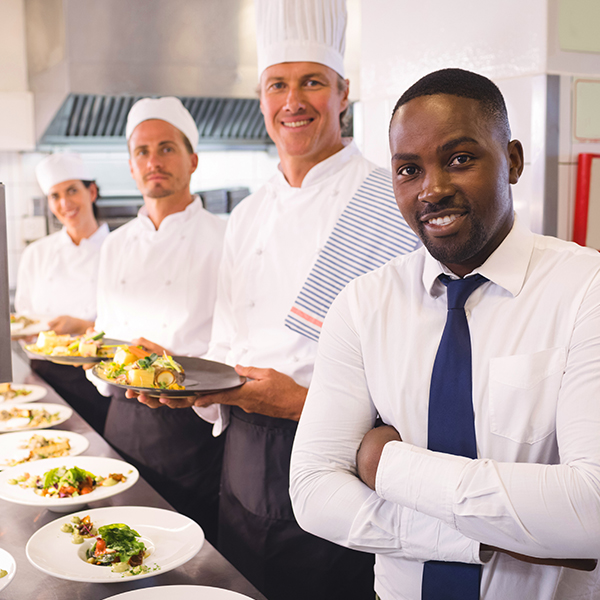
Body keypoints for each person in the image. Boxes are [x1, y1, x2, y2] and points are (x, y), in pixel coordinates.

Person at [135, 2, 419, 598]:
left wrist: (297, 402)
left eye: (312, 82)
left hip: (339, 459)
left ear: (343, 92)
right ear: (262, 99)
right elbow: (225, 342)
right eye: (277, 85)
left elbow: (413, 377)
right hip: (240, 457)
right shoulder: (247, 213)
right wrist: (179, 382)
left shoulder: (389, 203)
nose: (293, 101)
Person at [290, 68, 600, 600]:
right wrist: (482, 537)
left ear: (514, 161)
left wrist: (385, 464)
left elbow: (591, 510)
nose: (432, 189)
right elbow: (313, 491)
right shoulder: (363, 305)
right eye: (408, 169)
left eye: (460, 159)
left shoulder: (585, 291)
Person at [92, 96, 227, 544]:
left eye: (166, 148)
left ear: (192, 160)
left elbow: (235, 347)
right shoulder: (115, 244)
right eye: (142, 152)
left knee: (186, 555)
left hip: (190, 427)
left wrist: (173, 366)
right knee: (116, 543)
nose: (154, 161)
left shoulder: (225, 238)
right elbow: (102, 335)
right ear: (131, 167)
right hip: (121, 419)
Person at [15, 153, 111, 433]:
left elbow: (135, 327)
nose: (65, 204)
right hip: (44, 375)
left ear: (91, 191)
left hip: (100, 376)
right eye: (55, 196)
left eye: (72, 191)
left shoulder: (119, 249)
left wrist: (81, 326)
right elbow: (24, 320)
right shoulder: (36, 254)